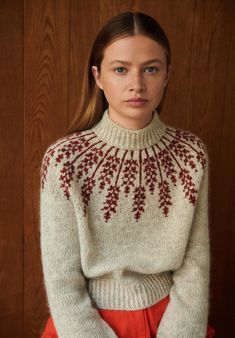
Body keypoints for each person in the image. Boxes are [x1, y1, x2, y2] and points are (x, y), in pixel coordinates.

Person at [40, 11, 216, 338]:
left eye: (150, 69)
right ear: (98, 76)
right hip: (84, 324)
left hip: (172, 319)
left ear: (167, 75)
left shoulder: (190, 155)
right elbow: (61, 279)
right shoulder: (64, 161)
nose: (137, 84)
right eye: (120, 69)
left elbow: (195, 267)